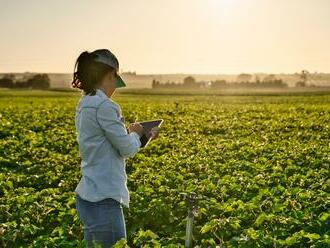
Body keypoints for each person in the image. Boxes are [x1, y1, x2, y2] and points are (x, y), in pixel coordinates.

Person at [71, 49, 160, 247]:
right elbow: (127, 149)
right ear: (110, 75)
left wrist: (134, 136)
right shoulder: (106, 106)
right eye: (115, 79)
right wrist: (136, 133)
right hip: (104, 199)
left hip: (88, 196)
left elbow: (110, 145)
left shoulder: (85, 103)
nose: (115, 87)